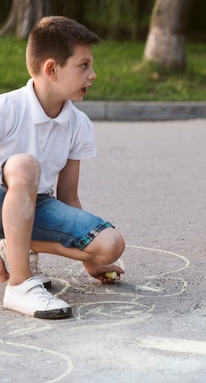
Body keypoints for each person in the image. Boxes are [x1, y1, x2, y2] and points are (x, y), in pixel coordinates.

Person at [0, 16, 126, 319]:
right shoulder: (6, 109)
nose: (93, 75)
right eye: (83, 66)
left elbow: (68, 197)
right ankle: (20, 282)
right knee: (25, 165)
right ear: (52, 70)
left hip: (35, 206)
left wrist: (91, 258)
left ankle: (13, 247)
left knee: (110, 244)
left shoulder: (78, 124)